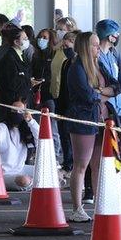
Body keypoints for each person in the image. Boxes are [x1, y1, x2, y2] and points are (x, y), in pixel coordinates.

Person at [64, 31, 120, 222]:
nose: (99, 47)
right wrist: (102, 93)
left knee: (98, 165)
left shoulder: (99, 64)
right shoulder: (76, 68)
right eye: (95, 45)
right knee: (81, 165)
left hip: (102, 120)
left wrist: (99, 91)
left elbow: (116, 86)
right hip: (84, 119)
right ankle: (77, 207)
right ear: (84, 47)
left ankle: (98, 204)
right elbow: (88, 96)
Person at [32, 28, 62, 161]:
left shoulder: (55, 55)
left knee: (52, 126)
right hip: (37, 94)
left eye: (45, 37)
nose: (41, 40)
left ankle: (55, 152)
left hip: (50, 95)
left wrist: (44, 80)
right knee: (37, 125)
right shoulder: (36, 55)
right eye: (40, 37)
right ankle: (40, 152)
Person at [0, 101, 40, 192]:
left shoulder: (25, 130)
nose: (17, 113)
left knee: (50, 172)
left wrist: (31, 121)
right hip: (3, 174)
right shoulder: (2, 128)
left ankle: (35, 183)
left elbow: (41, 137)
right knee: (24, 180)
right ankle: (36, 184)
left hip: (21, 169)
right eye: (14, 110)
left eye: (21, 111)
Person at [0, 25, 32, 126]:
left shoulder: (21, 56)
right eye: (24, 39)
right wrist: (29, 82)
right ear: (16, 42)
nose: (27, 40)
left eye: (27, 38)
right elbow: (11, 83)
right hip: (13, 103)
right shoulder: (9, 59)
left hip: (23, 101)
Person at [51, 30, 78, 172]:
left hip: (74, 105)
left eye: (68, 47)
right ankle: (68, 161)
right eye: (64, 48)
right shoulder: (66, 62)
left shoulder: (81, 64)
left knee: (70, 136)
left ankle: (72, 162)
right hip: (62, 102)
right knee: (64, 134)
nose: (66, 50)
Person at [95, 19, 121, 127]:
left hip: (119, 104)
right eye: (116, 33)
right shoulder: (96, 56)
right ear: (110, 37)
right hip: (106, 106)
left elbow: (120, 78)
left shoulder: (114, 54)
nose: (118, 36)